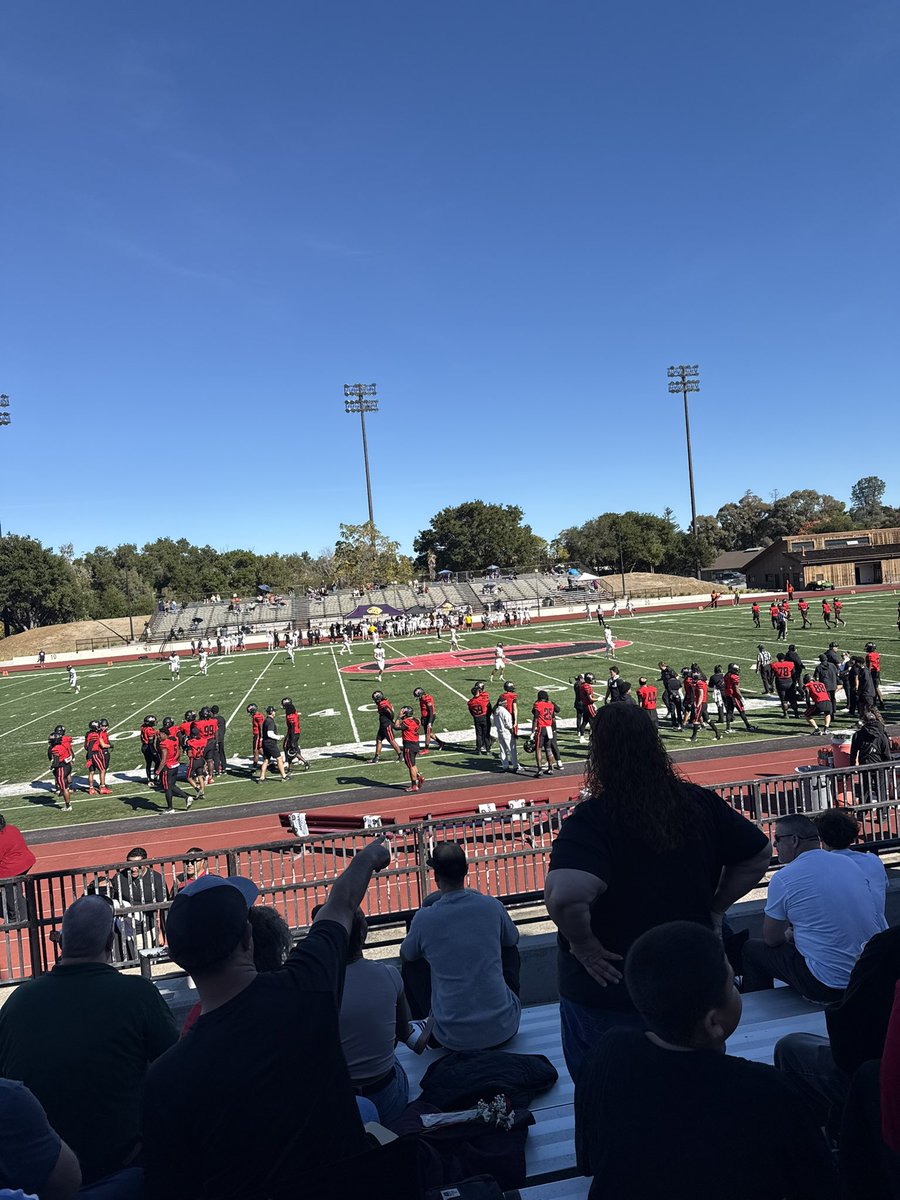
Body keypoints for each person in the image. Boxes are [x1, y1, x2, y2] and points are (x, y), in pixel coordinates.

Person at [141, 843, 392, 1199]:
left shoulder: (165, 1079)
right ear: (248, 939)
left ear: (176, 957)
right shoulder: (307, 987)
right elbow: (341, 905)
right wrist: (368, 857)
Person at [544, 703, 771, 1082]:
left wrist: (584, 946)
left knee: (611, 1095)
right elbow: (758, 853)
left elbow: (566, 895)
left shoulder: (594, 819)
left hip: (612, 989)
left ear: (598, 755)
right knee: (699, 1091)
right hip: (691, 981)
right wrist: (716, 909)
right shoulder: (698, 802)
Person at [574, 922, 837, 1200]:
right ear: (713, 1023)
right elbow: (818, 1185)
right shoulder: (767, 1090)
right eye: (732, 983)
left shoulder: (609, 1051)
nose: (735, 989)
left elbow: (589, 1160)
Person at [0, 895, 177, 1191]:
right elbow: (177, 1068)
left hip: (40, 1178)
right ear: (110, 942)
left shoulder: (18, 1002)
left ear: (60, 943)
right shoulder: (137, 994)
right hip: (121, 1169)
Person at [741, 814, 886, 1001]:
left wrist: (789, 935)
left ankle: (755, 1010)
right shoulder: (848, 863)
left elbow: (772, 939)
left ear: (794, 840)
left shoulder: (783, 878)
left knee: (751, 949)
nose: (775, 844)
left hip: (827, 986)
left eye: (777, 838)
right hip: (867, 975)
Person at [774, 925, 900, 1135]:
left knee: (789, 1048)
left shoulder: (888, 946)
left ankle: (826, 1142)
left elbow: (847, 1049)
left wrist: (859, 977)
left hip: (881, 1095)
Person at [400, 842, 520, 1051]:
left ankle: (425, 1021)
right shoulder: (491, 906)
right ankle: (502, 1005)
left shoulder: (425, 918)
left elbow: (406, 955)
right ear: (466, 871)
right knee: (509, 947)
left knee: (412, 965)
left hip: (451, 1037)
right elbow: (512, 940)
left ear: (436, 877)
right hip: (503, 1028)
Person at [333, 907, 431, 1124]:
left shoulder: (320, 986)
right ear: (363, 934)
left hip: (343, 1101)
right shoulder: (388, 974)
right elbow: (404, 1034)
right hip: (386, 1097)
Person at [112, 847, 168, 952]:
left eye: (137, 865)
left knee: (148, 959)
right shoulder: (118, 878)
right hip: (124, 931)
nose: (133, 869)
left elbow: (164, 908)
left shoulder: (157, 879)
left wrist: (162, 933)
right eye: (130, 864)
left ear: (145, 863)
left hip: (148, 931)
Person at [0, 816, 36, 924]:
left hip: (11, 867)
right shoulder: (11, 828)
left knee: (9, 889)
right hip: (25, 861)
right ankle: (25, 913)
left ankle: (15, 916)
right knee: (15, 888)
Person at [157, 716, 192, 812]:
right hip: (175, 764)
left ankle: (170, 808)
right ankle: (186, 797)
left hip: (167, 766)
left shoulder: (163, 743)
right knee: (172, 785)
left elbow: (163, 759)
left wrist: (158, 771)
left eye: (160, 735)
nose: (159, 736)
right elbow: (178, 750)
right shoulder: (175, 739)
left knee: (167, 788)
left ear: (165, 734)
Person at [531, 689, 562, 775]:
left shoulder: (538, 704)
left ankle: (539, 769)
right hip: (549, 728)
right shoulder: (551, 705)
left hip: (541, 728)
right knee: (548, 748)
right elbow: (553, 717)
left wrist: (532, 731)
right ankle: (550, 768)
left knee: (538, 749)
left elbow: (535, 718)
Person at [395, 706, 424, 792]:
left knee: (411, 766)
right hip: (416, 744)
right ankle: (419, 776)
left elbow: (396, 727)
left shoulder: (406, 722)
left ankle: (414, 785)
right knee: (412, 764)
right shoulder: (417, 720)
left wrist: (398, 717)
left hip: (409, 746)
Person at [369, 691, 402, 763]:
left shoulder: (382, 704)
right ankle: (376, 758)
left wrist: (391, 719)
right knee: (379, 740)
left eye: (375, 699)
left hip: (386, 725)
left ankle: (400, 755)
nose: (374, 701)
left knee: (391, 740)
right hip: (383, 724)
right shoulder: (384, 701)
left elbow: (390, 712)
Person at [722, 663, 754, 734]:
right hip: (734, 696)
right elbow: (736, 689)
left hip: (728, 695)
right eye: (736, 669)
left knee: (729, 712)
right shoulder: (734, 677)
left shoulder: (726, 675)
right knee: (741, 711)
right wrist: (741, 697)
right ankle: (748, 726)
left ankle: (728, 728)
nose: (737, 670)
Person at [257, 706, 287, 782]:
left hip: (265, 743)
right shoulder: (270, 721)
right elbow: (269, 734)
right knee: (279, 758)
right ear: (272, 712)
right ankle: (284, 776)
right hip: (270, 743)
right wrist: (278, 737)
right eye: (274, 711)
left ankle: (262, 777)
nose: (275, 712)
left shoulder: (266, 720)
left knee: (266, 760)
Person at [281, 698, 310, 772]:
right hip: (296, 733)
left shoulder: (290, 716)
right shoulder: (294, 713)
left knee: (289, 748)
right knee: (291, 748)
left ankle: (304, 762)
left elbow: (292, 728)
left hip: (293, 733)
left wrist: (292, 739)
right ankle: (289, 766)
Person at [492, 693, 519, 772]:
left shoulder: (496, 711)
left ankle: (505, 766)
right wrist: (513, 733)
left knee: (503, 750)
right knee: (511, 750)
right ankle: (515, 766)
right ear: (503, 703)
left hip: (499, 732)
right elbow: (508, 725)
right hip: (506, 732)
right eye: (505, 703)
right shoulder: (505, 712)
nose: (506, 704)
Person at [413, 687, 443, 752]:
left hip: (429, 717)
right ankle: (441, 743)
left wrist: (429, 722)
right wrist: (422, 717)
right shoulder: (422, 698)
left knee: (427, 734)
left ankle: (426, 749)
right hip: (425, 717)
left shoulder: (427, 699)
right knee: (429, 733)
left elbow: (431, 711)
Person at [84, 720, 110, 796]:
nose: (100, 727)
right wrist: (90, 759)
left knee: (91, 772)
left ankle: (91, 788)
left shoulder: (88, 733)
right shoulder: (94, 735)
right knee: (102, 770)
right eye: (98, 726)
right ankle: (102, 788)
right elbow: (90, 747)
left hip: (89, 754)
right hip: (93, 754)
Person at [467, 681, 492, 755]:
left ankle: (478, 750)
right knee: (486, 734)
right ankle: (488, 750)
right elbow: (489, 706)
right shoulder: (484, 699)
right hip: (484, 717)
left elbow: (471, 711)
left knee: (479, 735)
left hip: (477, 718)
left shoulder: (470, 702)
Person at [771, 653, 800, 718]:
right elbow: (793, 674)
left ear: (778, 658)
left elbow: (773, 675)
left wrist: (771, 684)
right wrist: (795, 682)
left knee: (784, 700)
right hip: (789, 681)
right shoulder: (790, 664)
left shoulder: (774, 665)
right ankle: (796, 713)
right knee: (793, 699)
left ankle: (786, 714)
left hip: (780, 682)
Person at [139, 714, 161, 786]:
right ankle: (155, 777)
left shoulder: (143, 727)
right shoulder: (149, 730)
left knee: (148, 763)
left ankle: (149, 779)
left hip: (144, 746)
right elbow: (151, 742)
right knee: (157, 761)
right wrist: (153, 751)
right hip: (148, 747)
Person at [247, 702, 265, 767]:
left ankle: (256, 764)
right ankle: (256, 763)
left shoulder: (258, 716)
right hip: (257, 735)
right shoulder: (256, 715)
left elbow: (261, 727)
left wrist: (261, 737)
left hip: (258, 735)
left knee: (256, 750)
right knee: (257, 750)